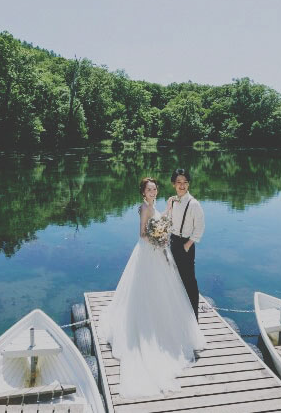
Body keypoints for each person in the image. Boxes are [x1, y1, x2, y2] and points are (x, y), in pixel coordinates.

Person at [102, 177, 206, 398]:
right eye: (150, 189)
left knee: (164, 291)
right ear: (143, 192)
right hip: (148, 253)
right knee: (148, 290)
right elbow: (142, 233)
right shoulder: (144, 208)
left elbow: (161, 222)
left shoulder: (154, 206)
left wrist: (166, 215)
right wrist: (157, 238)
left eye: (155, 189)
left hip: (158, 252)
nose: (153, 192)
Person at [167, 168, 204, 321]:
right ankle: (179, 316)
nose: (182, 186)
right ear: (173, 184)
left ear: (188, 184)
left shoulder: (194, 204)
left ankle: (193, 319)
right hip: (172, 242)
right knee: (174, 279)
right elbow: (169, 221)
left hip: (185, 245)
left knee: (189, 281)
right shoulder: (172, 201)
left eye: (185, 182)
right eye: (179, 182)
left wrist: (187, 245)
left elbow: (200, 228)